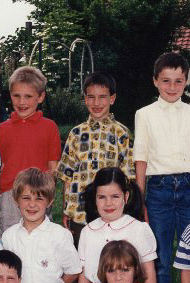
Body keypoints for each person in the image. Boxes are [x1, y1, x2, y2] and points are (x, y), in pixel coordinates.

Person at [134, 52, 190, 283]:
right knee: (161, 261)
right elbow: (141, 159)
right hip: (159, 190)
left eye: (178, 81)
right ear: (155, 81)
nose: (172, 87)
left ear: (186, 82)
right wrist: (141, 201)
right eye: (166, 81)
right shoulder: (144, 115)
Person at [55, 72, 135, 243]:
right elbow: (67, 176)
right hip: (80, 213)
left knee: (109, 256)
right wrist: (66, 209)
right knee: (82, 256)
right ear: (85, 99)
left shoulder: (121, 133)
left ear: (112, 99)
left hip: (111, 213)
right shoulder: (76, 133)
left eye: (102, 97)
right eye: (91, 97)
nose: (96, 103)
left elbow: (128, 177)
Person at [0, 66, 62, 235]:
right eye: (16, 95)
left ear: (41, 97)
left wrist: (46, 193)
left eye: (28, 96)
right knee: (10, 238)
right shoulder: (2, 129)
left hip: (39, 194)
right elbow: (0, 166)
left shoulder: (50, 127)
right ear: (10, 95)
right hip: (10, 195)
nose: (21, 102)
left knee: (41, 238)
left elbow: (53, 166)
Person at [77, 167, 157, 283]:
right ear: (95, 198)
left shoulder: (138, 228)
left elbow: (149, 272)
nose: (108, 203)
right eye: (102, 197)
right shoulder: (87, 231)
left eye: (115, 196)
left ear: (125, 197)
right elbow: (84, 275)